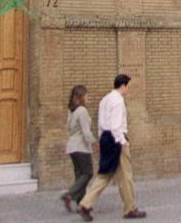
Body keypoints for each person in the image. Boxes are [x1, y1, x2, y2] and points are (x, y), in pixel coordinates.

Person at [77, 74, 145, 221]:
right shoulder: (118, 101)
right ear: (123, 85)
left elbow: (101, 124)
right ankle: (129, 209)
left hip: (106, 138)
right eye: (128, 86)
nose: (128, 89)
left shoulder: (105, 99)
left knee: (105, 174)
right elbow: (115, 126)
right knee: (125, 176)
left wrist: (103, 140)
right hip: (116, 140)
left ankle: (85, 204)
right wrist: (123, 142)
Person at [61, 85, 95, 213]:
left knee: (79, 175)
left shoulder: (71, 110)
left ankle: (81, 204)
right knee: (88, 173)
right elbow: (86, 132)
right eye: (86, 95)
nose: (88, 97)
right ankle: (69, 195)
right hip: (81, 147)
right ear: (81, 97)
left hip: (71, 147)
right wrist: (94, 142)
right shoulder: (82, 111)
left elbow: (69, 129)